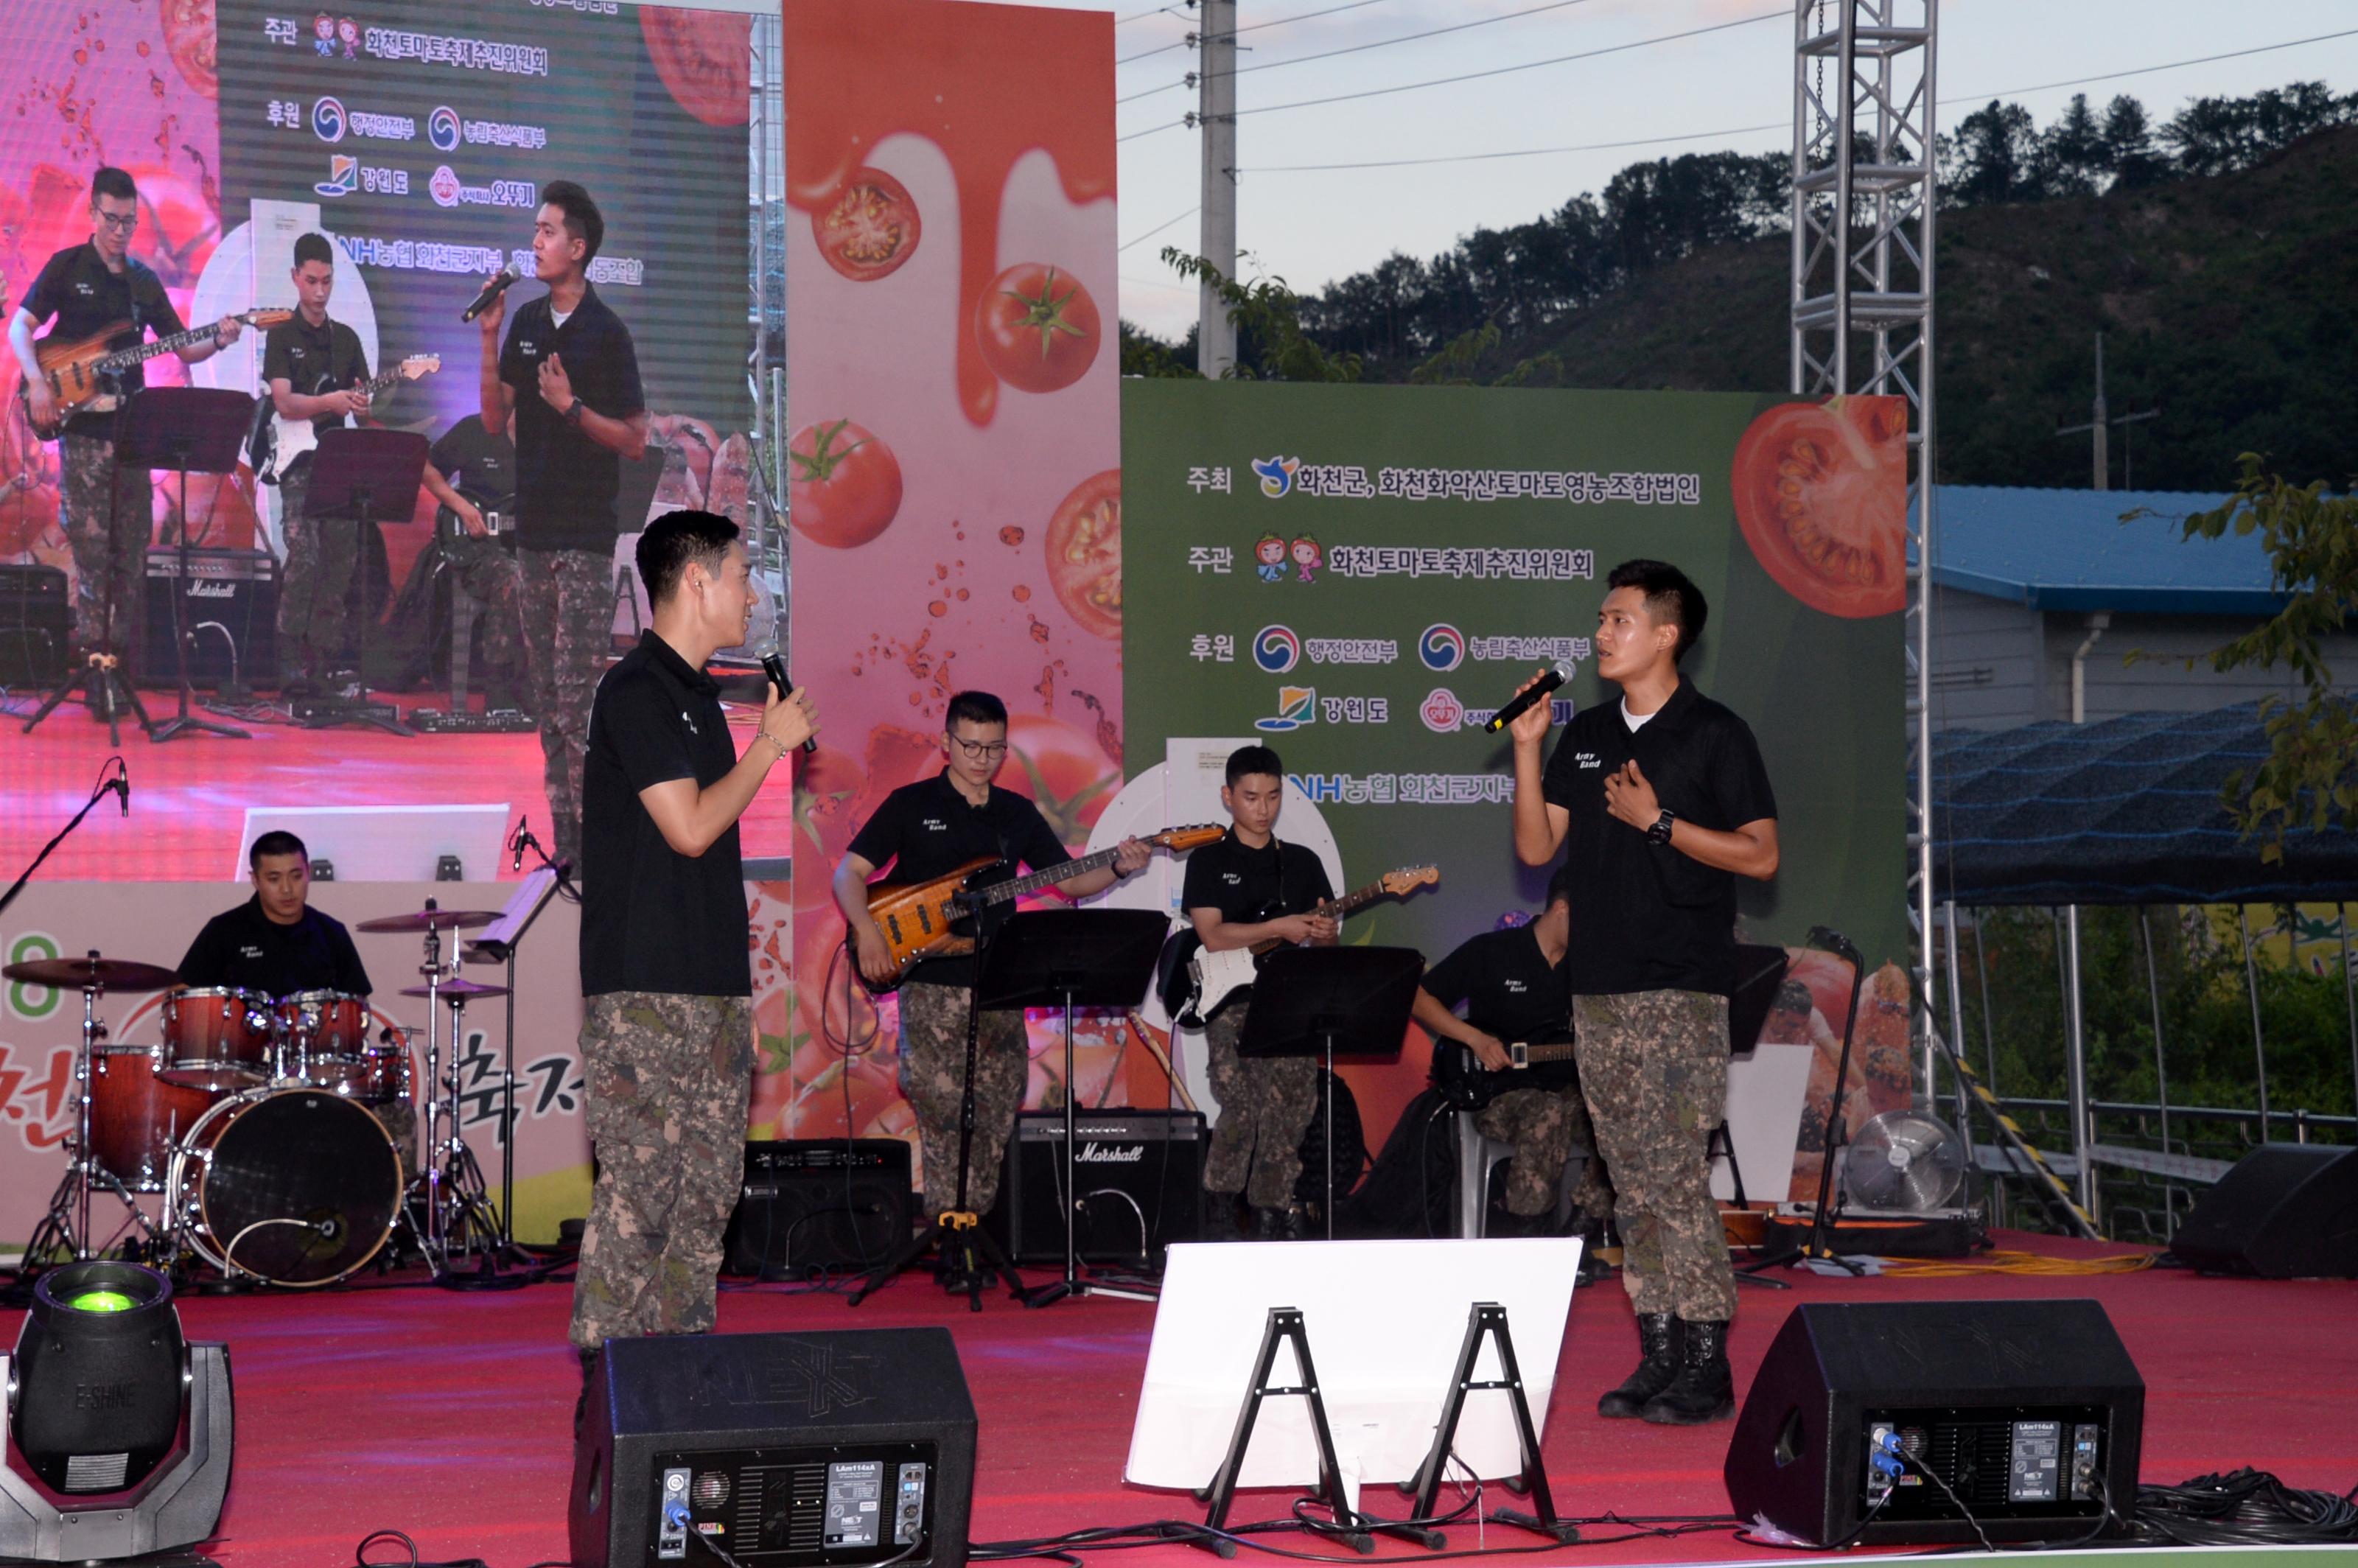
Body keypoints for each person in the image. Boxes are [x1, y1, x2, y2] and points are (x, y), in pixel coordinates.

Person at [1508, 559, 1778, 1426]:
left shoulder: (1712, 733)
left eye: (1617, 620)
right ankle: (1658, 1352)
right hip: (1599, 987)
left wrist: (1658, 822)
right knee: (1627, 1179)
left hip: (1678, 986)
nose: (1599, 634)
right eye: (1598, 619)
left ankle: (1707, 1356)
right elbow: (1534, 844)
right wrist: (1524, 749)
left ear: (1666, 634)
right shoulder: (1583, 732)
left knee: (1671, 1173)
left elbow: (1760, 854)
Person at [569, 508, 816, 1371]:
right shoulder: (635, 690)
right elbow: (688, 829)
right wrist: (769, 748)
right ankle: (609, 1390)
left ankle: (677, 1381)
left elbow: (707, 872)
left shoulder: (702, 698)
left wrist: (733, 991)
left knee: (706, 1197)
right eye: (745, 574)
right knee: (639, 1195)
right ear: (697, 580)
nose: (756, 592)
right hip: (643, 990)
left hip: (704, 989)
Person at [833, 692, 1149, 1243]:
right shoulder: (911, 804)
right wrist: (866, 930)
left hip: (1000, 986)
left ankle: (974, 1225)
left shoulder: (1016, 814)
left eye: (993, 748)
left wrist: (1120, 866)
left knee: (998, 1100)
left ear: (1004, 749)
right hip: (931, 985)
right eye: (970, 746)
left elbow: (1070, 881)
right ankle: (945, 1225)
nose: (981, 757)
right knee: (939, 1101)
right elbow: (849, 873)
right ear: (947, 743)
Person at [8, 167, 245, 695]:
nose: (120, 230)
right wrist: (36, 383)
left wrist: (223, 338)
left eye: (129, 222)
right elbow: (19, 326)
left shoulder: (142, 281)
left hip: (134, 437)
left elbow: (185, 346)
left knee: (131, 549)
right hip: (85, 432)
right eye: (112, 220)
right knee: (92, 549)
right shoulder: (67, 267)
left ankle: (116, 662)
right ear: (93, 214)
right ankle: (94, 665)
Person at [475, 181, 647, 869]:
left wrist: (571, 406)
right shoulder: (522, 323)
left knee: (578, 702)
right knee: (547, 702)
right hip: (533, 533)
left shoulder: (608, 333)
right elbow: (493, 420)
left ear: (578, 249)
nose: (536, 242)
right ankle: (567, 844)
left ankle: (598, 840)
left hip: (582, 539)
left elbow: (635, 440)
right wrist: (489, 339)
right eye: (535, 229)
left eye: (548, 232)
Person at [1412, 867, 1614, 1257]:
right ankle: (1525, 1242)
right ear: (1561, 910)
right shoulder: (1492, 951)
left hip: (1569, 1094)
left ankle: (1577, 1233)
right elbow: (1419, 998)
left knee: (1620, 1112)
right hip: (1497, 1097)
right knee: (1548, 1111)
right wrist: (1474, 1038)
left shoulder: (1589, 968)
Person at [1181, 744, 1337, 1239]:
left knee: (1292, 1108)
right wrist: (1283, 926)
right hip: (1232, 1003)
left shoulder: (1303, 861)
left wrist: (1323, 932)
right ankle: (1222, 1210)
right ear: (1229, 796)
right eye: (1251, 797)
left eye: (1272, 796)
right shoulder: (1208, 860)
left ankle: (1272, 1213)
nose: (1262, 807)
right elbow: (1212, 934)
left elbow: (1325, 926)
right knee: (1241, 1105)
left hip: (1292, 1001)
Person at [263, 231, 372, 695]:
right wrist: (329, 400)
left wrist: (362, 406)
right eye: (312, 281)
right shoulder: (282, 335)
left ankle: (323, 659)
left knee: (340, 559)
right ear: (296, 278)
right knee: (303, 556)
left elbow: (363, 399)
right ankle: (288, 654)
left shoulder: (345, 338)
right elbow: (285, 403)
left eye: (327, 281)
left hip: (338, 462)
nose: (321, 290)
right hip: (297, 465)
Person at [177, 830, 371, 997]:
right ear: (255, 880)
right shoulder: (224, 931)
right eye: (274, 879)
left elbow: (357, 1004)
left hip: (315, 1040)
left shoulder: (331, 933)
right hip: (238, 1040)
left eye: (296, 876)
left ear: (308, 873)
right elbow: (181, 993)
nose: (287, 889)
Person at [424, 411, 528, 713]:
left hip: (522, 548)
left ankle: (536, 686)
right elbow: (426, 466)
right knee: (512, 577)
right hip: (476, 552)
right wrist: (461, 506)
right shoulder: (474, 429)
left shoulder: (546, 443)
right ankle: (497, 684)